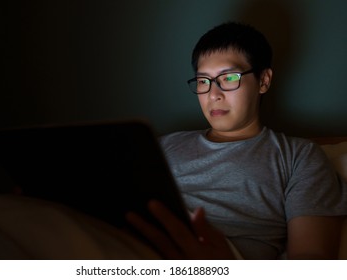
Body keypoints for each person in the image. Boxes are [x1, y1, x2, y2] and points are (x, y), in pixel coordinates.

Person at [126, 21, 347, 259]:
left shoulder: (298, 156)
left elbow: (311, 263)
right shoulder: (163, 145)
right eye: (203, 81)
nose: (213, 94)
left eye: (229, 78)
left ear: (263, 81)